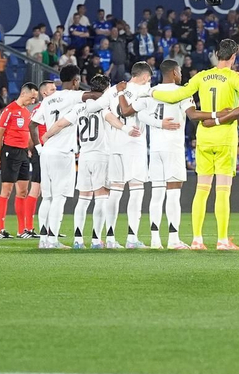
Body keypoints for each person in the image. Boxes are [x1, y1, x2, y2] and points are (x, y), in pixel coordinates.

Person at [151, 38, 239, 250]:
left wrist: (152, 92)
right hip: (225, 139)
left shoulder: (201, 76)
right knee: (223, 191)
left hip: (204, 138)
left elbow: (176, 95)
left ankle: (197, 240)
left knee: (201, 190)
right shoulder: (235, 77)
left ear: (217, 55)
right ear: (234, 57)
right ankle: (222, 240)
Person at [49, 74, 129, 249]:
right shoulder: (103, 106)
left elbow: (60, 124)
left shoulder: (79, 107)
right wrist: (126, 129)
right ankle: (96, 240)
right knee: (101, 198)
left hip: (84, 156)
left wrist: (46, 135)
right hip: (101, 156)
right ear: (106, 89)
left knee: (83, 199)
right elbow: (112, 120)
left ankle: (78, 240)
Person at [132, 60, 192, 249]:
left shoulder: (151, 91)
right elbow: (192, 114)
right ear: (174, 72)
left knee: (156, 194)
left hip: (156, 148)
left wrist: (157, 123)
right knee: (173, 194)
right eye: (179, 71)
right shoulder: (182, 92)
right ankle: (173, 240)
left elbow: (138, 113)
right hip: (173, 147)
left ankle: (155, 240)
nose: (181, 74)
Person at [31, 70, 85, 249]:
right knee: (59, 198)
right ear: (75, 81)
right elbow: (94, 95)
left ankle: (43, 240)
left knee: (47, 197)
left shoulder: (47, 100)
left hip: (46, 152)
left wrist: (38, 147)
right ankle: (53, 240)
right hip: (63, 153)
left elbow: (32, 124)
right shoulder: (74, 96)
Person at [105, 66, 153, 249]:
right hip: (134, 142)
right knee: (136, 189)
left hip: (114, 143)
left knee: (115, 191)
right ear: (145, 77)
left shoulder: (113, 90)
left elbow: (106, 114)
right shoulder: (144, 90)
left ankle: (110, 238)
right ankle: (132, 238)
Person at [0, 83, 39, 239]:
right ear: (23, 93)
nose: (33, 101)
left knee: (23, 192)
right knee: (6, 191)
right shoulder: (9, 110)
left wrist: (30, 149)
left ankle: (22, 230)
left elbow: (28, 134)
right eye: (32, 97)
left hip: (23, 153)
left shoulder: (26, 112)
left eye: (35, 98)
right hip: (9, 152)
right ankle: (0, 230)